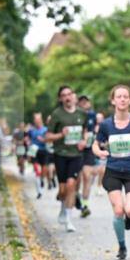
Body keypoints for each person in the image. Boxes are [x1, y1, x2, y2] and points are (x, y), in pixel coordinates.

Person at [93, 85, 130, 260]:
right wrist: (99, 152)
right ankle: (122, 246)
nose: (123, 99)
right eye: (119, 96)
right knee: (119, 210)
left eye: (126, 96)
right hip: (113, 171)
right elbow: (95, 144)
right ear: (113, 101)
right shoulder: (106, 125)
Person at [45, 85, 88, 233]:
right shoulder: (57, 114)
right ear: (60, 99)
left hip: (76, 155)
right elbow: (48, 137)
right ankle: (63, 207)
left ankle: (69, 219)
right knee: (63, 190)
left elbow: (85, 131)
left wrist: (83, 141)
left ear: (73, 95)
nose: (67, 97)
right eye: (64, 95)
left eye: (69, 94)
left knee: (71, 185)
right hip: (61, 154)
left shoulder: (82, 113)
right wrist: (61, 135)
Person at [77, 94, 98, 218]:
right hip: (76, 150)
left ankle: (85, 205)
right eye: (82, 101)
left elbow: (95, 129)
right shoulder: (74, 116)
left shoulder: (92, 115)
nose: (84, 103)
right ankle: (75, 197)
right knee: (76, 180)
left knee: (87, 176)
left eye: (86, 101)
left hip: (89, 149)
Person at [26, 112, 50, 198]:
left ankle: (42, 179)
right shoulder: (31, 130)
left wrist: (44, 140)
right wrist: (28, 143)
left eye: (38, 119)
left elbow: (49, 139)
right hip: (34, 151)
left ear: (41, 120)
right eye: (35, 120)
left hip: (44, 151)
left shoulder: (45, 129)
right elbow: (27, 138)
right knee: (37, 170)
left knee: (45, 169)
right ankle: (39, 191)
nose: (37, 121)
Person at [93, 112, 107, 195]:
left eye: (101, 118)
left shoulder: (105, 128)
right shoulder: (91, 128)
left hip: (102, 152)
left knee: (102, 170)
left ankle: (99, 186)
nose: (99, 120)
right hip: (92, 152)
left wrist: (105, 145)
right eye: (98, 118)